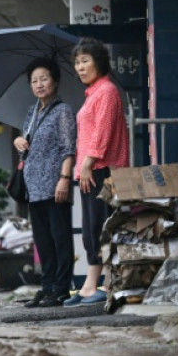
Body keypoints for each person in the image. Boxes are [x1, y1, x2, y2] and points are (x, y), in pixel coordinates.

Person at [64, 37, 129, 307]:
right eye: (77, 63)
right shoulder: (93, 93)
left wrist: (88, 163)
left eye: (85, 61)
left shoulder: (107, 91)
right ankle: (90, 286)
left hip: (101, 170)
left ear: (99, 62)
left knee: (103, 228)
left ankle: (106, 284)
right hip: (89, 170)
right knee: (92, 231)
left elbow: (102, 133)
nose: (80, 67)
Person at [13, 57, 77, 308]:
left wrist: (64, 178)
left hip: (54, 185)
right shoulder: (32, 112)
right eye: (34, 81)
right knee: (43, 241)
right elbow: (29, 147)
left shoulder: (63, 111)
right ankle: (47, 286)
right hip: (33, 187)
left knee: (60, 238)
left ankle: (60, 289)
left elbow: (68, 148)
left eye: (44, 79)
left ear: (55, 81)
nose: (39, 84)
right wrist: (18, 141)